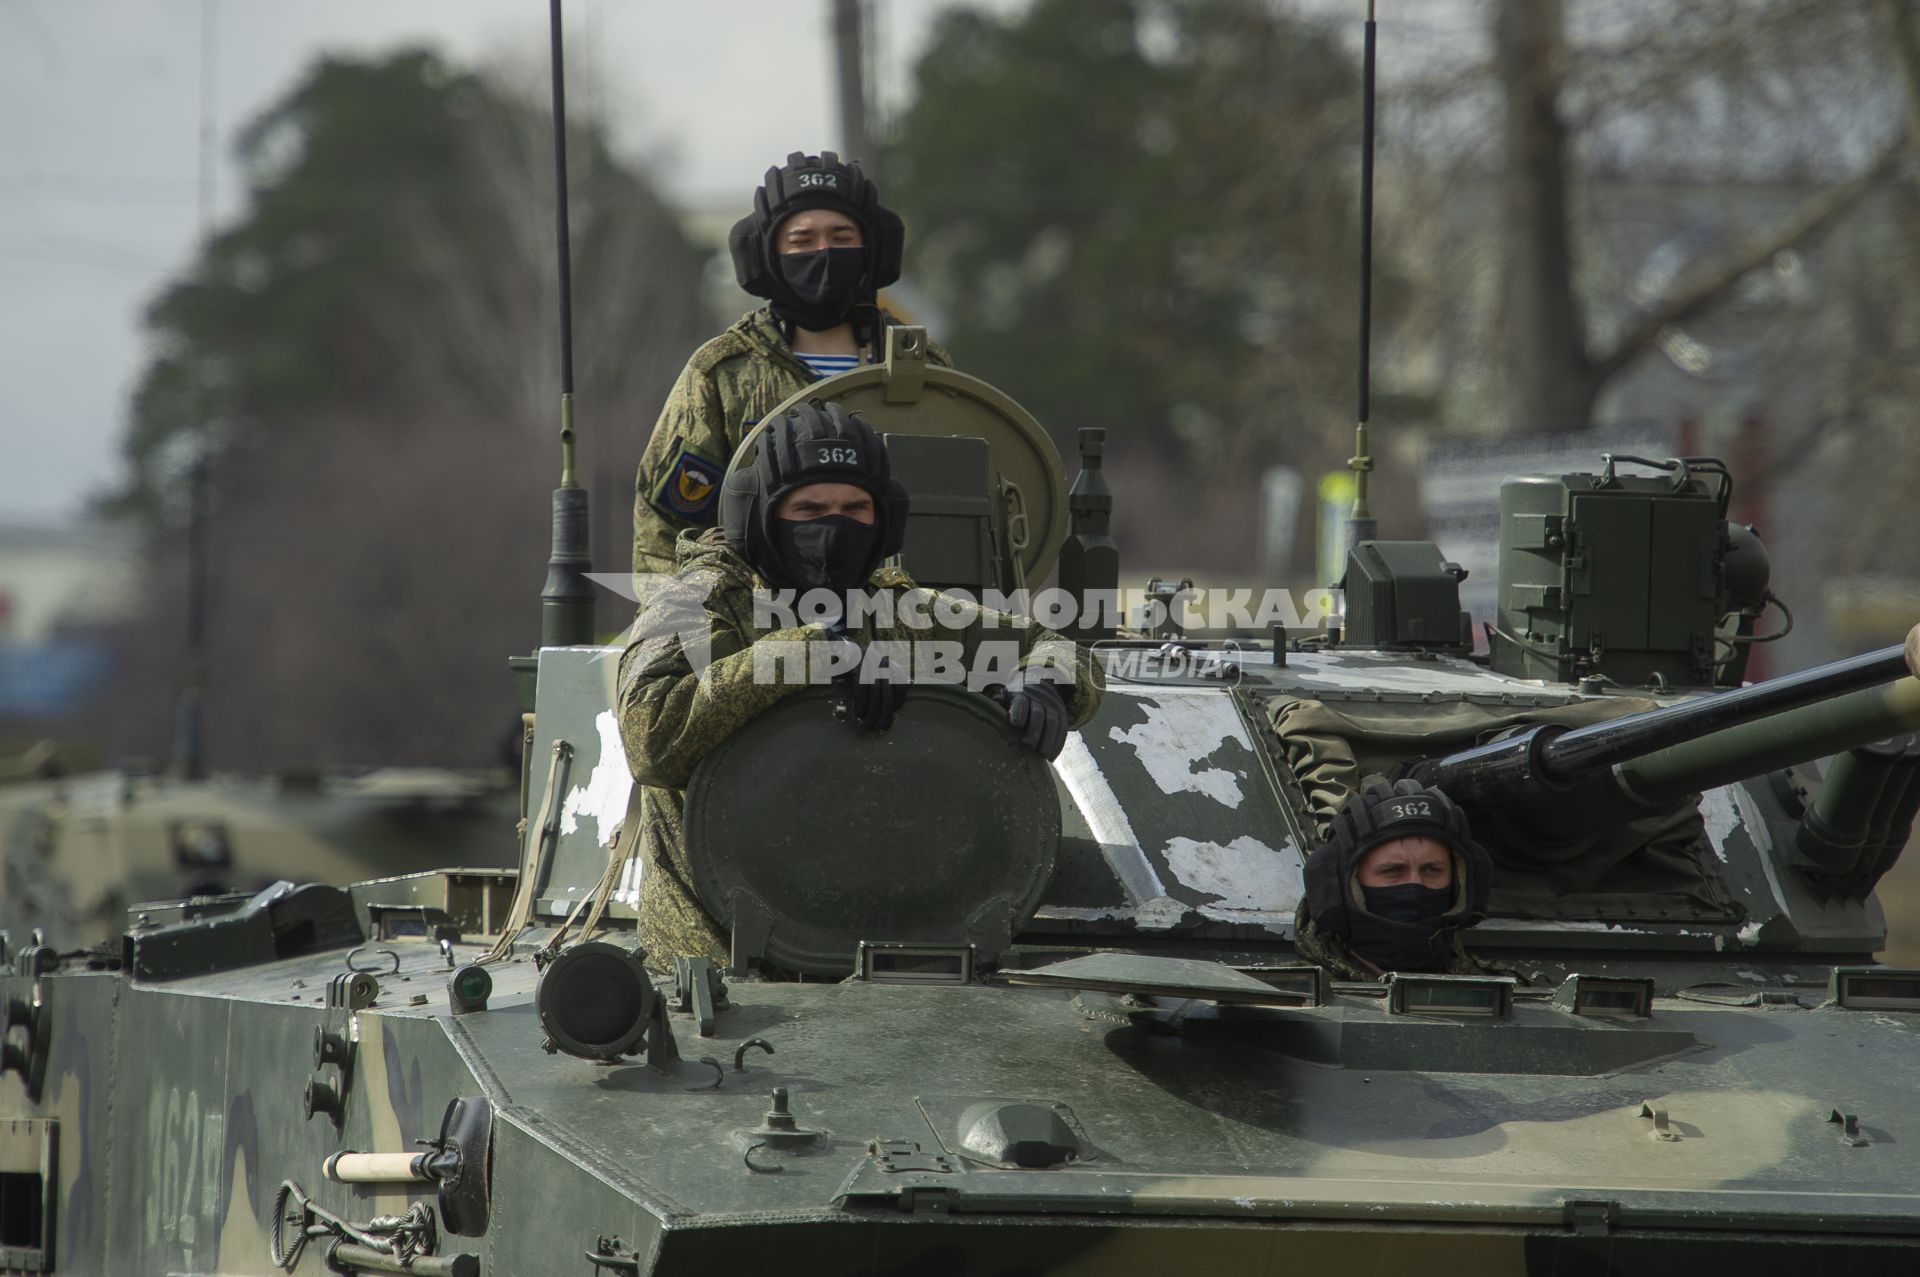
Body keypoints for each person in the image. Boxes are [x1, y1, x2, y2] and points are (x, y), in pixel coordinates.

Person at [616, 400, 1103, 967]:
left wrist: (1048, 682)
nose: (834, 526)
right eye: (809, 508)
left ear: (886, 519)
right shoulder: (696, 602)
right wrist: (810, 656)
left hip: (900, 959)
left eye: (855, 507)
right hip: (718, 966)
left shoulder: (899, 611)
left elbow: (1055, 644)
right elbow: (651, 739)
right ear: (759, 515)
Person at [631, 150, 954, 577]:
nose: (824, 252)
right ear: (767, 253)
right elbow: (664, 530)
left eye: (841, 237)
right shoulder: (725, 372)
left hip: (904, 620)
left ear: (872, 248)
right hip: (757, 624)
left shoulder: (920, 366)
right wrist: (693, 626)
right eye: (802, 240)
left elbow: (962, 500)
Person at [1293, 776, 1494, 978]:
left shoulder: (1503, 993)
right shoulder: (1290, 996)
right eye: (1392, 871)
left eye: (1432, 870)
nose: (1415, 884)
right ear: (1342, 887)